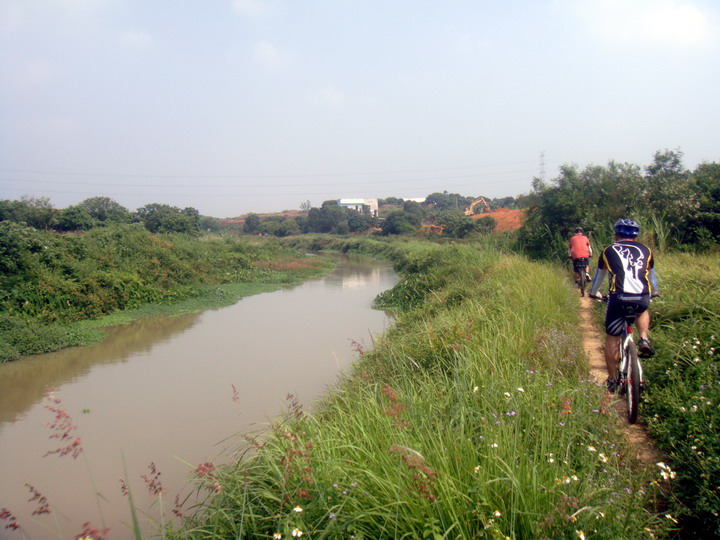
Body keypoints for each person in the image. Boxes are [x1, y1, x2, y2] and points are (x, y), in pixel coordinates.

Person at [589, 218, 659, 392]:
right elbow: (652, 277)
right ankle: (643, 338)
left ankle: (613, 379)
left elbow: (599, 277)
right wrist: (654, 292)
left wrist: (593, 293)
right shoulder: (646, 250)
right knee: (642, 309)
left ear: (616, 234)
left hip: (618, 297)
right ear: (636, 235)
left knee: (612, 338)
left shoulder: (608, 250)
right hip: (641, 296)